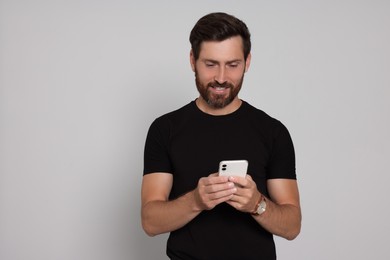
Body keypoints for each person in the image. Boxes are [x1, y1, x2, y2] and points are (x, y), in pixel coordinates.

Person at [141, 12, 301, 260]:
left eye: (233, 65)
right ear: (193, 60)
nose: (221, 78)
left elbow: (292, 226)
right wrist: (196, 200)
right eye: (211, 64)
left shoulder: (273, 132)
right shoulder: (165, 129)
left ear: (247, 62)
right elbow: (150, 222)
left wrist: (257, 204)